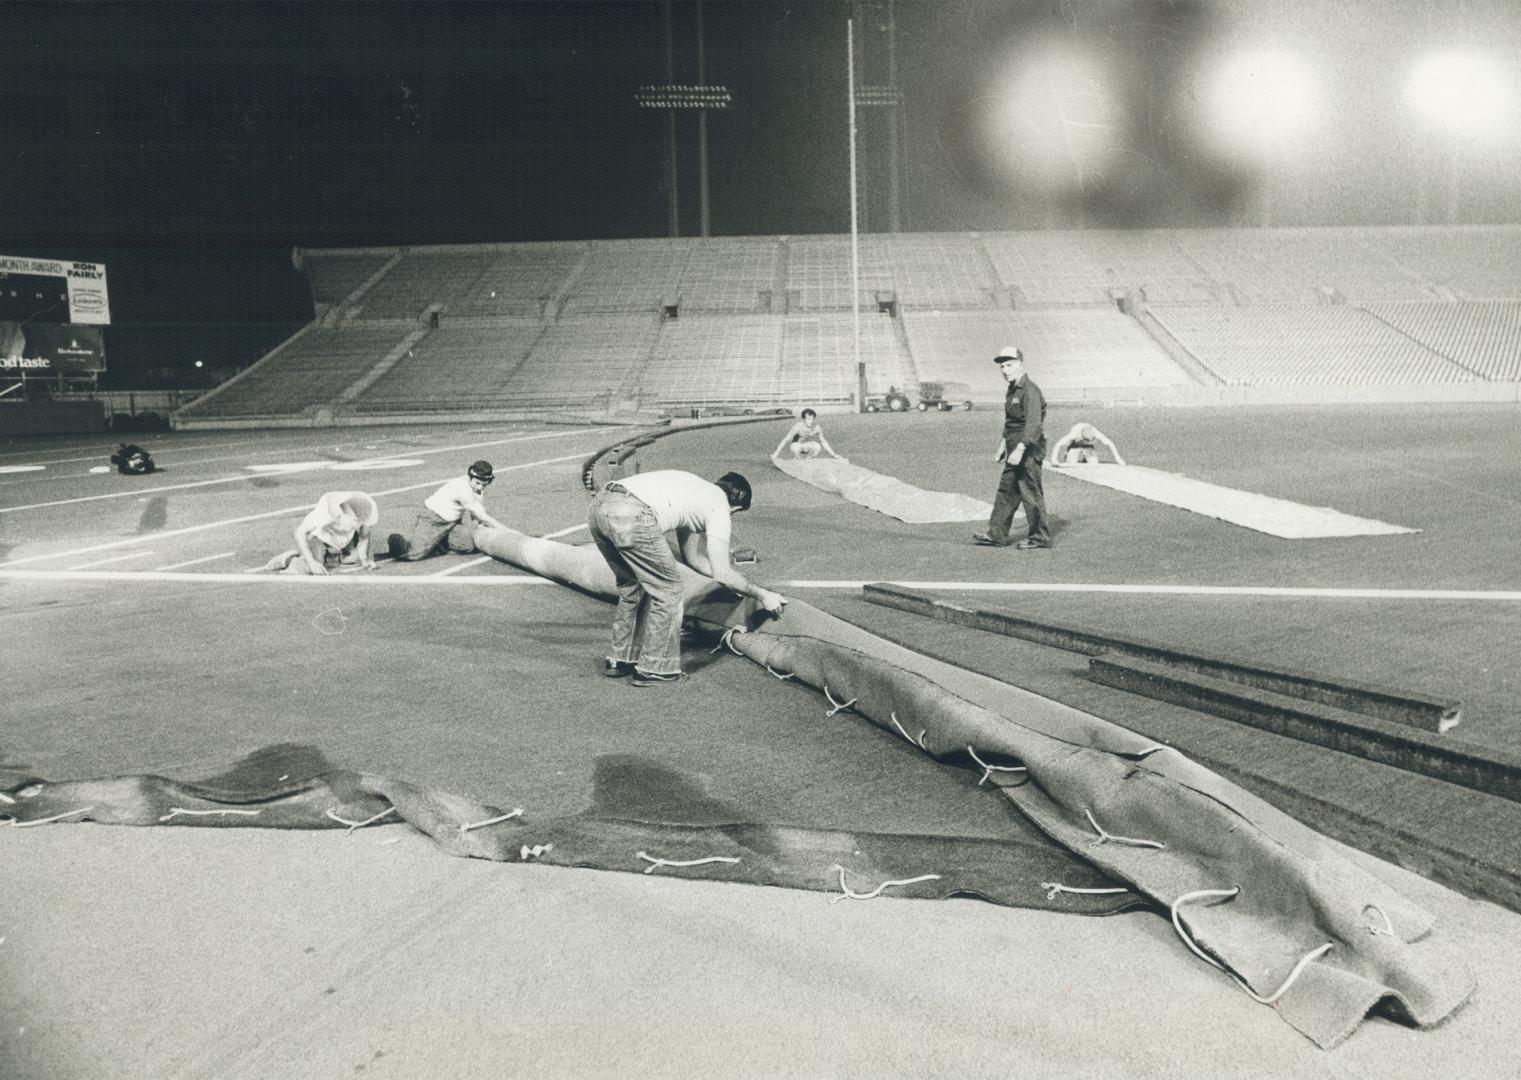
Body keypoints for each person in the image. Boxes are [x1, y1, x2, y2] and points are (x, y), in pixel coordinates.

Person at [588, 469, 787, 687]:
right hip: (633, 513)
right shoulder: (719, 505)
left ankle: (621, 658)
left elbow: (693, 558)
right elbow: (722, 571)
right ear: (736, 507)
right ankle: (656, 668)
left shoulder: (696, 492)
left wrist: (735, 583)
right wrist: (762, 594)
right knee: (669, 590)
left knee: (633, 585)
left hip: (600, 507)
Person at [972, 345, 1051, 550]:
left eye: (1010, 365)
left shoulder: (1030, 390)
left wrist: (1020, 449)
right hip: (1014, 444)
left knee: (1030, 492)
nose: (1005, 370)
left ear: (1020, 364)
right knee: (1007, 490)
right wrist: (1003, 445)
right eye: (1002, 366)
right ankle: (996, 534)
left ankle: (1039, 538)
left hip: (1028, 447)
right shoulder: (1013, 389)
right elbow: (1011, 422)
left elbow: (1033, 424)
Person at [387, 459, 507, 561]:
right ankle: (394, 540)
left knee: (468, 546)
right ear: (470, 477)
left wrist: (477, 529)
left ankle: (438, 542)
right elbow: (483, 517)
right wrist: (507, 532)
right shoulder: (461, 488)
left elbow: (476, 516)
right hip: (433, 518)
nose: (480, 487)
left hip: (452, 523)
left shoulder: (477, 489)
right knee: (412, 554)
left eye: (484, 484)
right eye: (478, 483)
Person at [260, 491, 379, 575]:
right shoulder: (327, 510)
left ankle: (331, 556)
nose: (356, 523)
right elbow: (300, 532)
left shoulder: (367, 507)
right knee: (309, 568)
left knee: (356, 561)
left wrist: (364, 560)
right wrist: (311, 562)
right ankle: (289, 558)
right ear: (340, 515)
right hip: (323, 537)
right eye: (354, 520)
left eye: (358, 521)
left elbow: (364, 536)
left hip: (346, 538)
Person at [772, 408, 842, 460]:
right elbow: (786, 439)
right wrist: (776, 454)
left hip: (807, 446)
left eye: (812, 419)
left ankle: (807, 459)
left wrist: (833, 455)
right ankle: (797, 459)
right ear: (804, 419)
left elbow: (823, 441)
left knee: (817, 446)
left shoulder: (817, 428)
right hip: (797, 446)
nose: (810, 421)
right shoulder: (798, 426)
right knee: (794, 447)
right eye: (808, 419)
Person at [1050, 422, 1125, 466]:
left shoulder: (1095, 433)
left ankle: (1085, 458)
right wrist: (1054, 459)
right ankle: (1067, 455)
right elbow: (1059, 444)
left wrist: (1118, 459)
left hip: (1088, 447)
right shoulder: (1074, 434)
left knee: (1093, 464)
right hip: (1074, 445)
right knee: (1071, 464)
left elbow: (1109, 443)